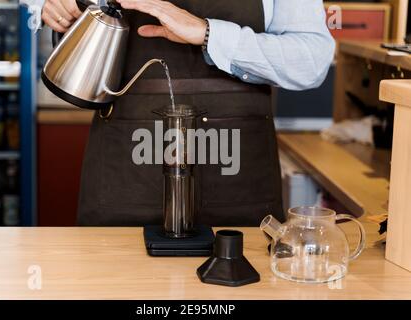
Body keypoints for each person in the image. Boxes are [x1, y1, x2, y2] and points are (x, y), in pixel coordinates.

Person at [38, 0, 335, 226]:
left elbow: (311, 61)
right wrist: (47, 5)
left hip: (237, 168)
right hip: (126, 166)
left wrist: (210, 34)